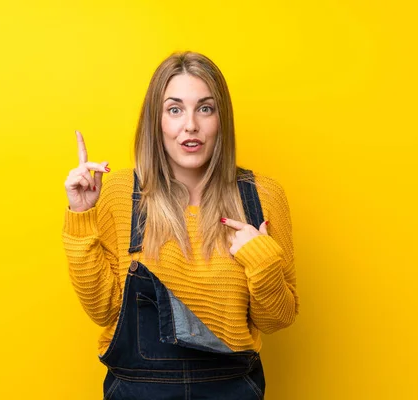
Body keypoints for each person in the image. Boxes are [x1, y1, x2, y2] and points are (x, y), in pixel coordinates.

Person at [62, 51, 298, 399]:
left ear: (222, 118)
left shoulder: (262, 196)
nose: (191, 125)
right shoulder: (119, 192)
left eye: (205, 108)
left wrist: (261, 260)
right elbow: (104, 310)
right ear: (156, 121)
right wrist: (81, 215)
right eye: (175, 109)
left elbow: (277, 319)